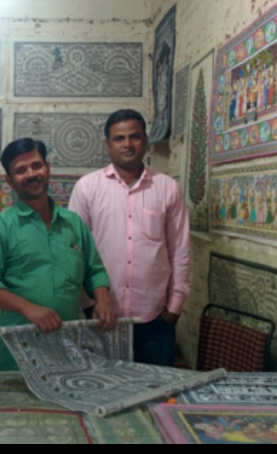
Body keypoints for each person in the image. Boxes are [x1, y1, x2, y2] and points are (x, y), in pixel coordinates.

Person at [0, 138, 117, 372]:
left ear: (47, 168)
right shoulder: (0, 228)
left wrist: (102, 300)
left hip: (69, 353)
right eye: (20, 170)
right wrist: (27, 307)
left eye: (36, 166)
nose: (31, 174)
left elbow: (94, 270)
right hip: (17, 357)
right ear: (9, 180)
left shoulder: (74, 224)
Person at [68, 109, 190, 367]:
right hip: (101, 318)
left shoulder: (167, 188)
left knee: (157, 389)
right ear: (107, 145)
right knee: (103, 388)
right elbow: (75, 251)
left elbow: (180, 250)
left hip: (155, 321)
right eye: (119, 138)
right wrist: (88, 305)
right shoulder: (87, 187)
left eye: (134, 137)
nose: (127, 144)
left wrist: (173, 309)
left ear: (145, 141)